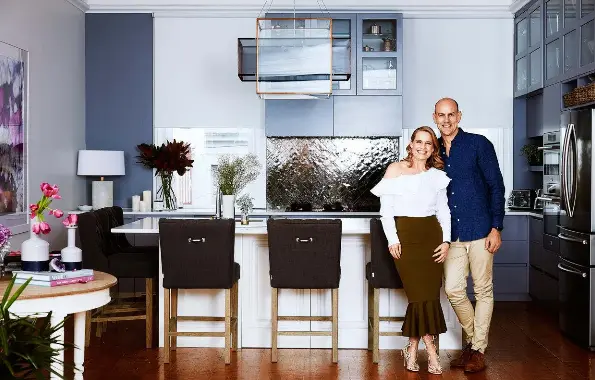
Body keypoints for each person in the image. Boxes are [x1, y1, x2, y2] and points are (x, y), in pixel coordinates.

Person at [370, 126, 452, 375]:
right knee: (419, 295)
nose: (423, 147)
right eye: (419, 142)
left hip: (431, 237)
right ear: (411, 143)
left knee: (426, 296)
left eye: (428, 144)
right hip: (404, 237)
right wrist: (392, 239)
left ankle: (412, 349)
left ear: (433, 149)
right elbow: (386, 211)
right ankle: (432, 350)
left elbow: (443, 211)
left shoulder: (437, 175)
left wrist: (446, 241)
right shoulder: (395, 170)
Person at [433, 98, 505, 373]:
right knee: (452, 289)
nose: (447, 120)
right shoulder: (433, 151)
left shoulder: (478, 144)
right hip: (451, 235)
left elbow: (496, 187)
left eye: (451, 115)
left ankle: (477, 350)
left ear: (459, 116)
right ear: (435, 117)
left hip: (480, 229)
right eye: (441, 115)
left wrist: (496, 227)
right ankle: (477, 344)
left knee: (483, 290)